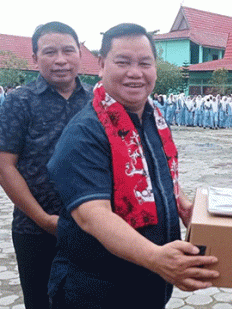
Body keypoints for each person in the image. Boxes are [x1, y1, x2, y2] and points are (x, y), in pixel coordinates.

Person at [47, 23, 218, 308]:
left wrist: (184, 206)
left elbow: (161, 183)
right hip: (97, 289)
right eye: (123, 62)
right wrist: (156, 258)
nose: (135, 73)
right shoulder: (86, 131)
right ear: (101, 65)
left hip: (148, 285)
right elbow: (93, 215)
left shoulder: (154, 119)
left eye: (145, 63)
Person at [0, 22, 93, 309]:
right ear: (35, 58)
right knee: (41, 301)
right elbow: (5, 167)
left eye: (68, 50)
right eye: (50, 52)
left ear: (80, 53)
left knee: (90, 299)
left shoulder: (98, 101)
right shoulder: (18, 102)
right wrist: (42, 218)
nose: (61, 60)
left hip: (93, 225)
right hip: (35, 228)